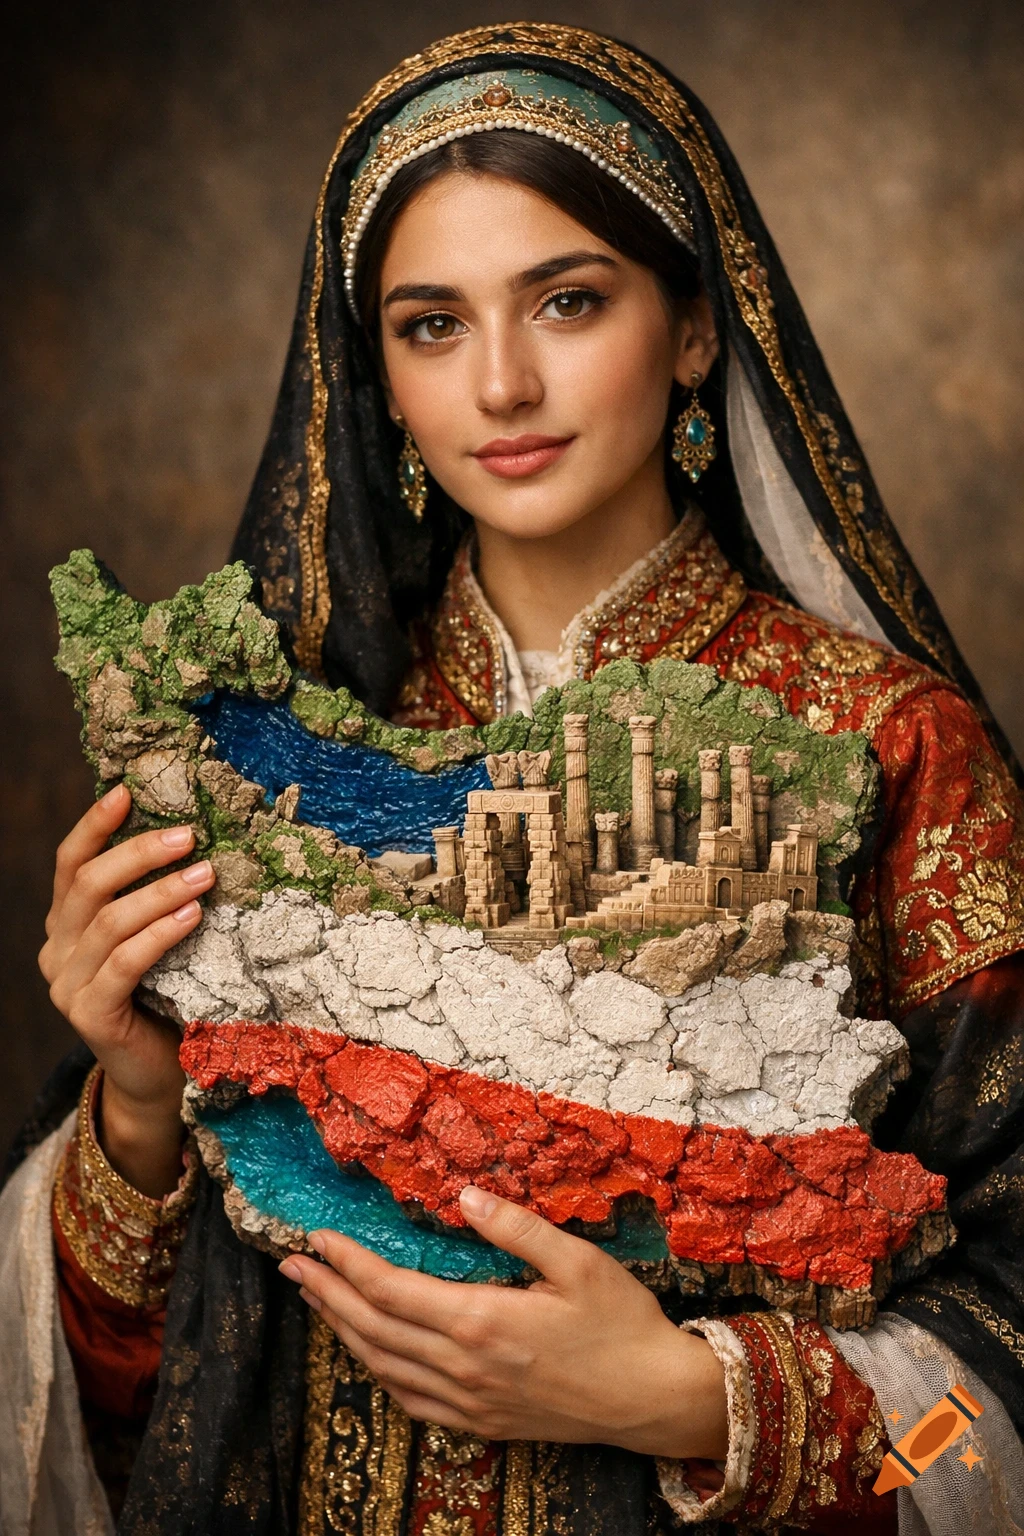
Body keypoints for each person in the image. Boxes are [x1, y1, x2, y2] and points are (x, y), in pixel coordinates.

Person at [3, 22, 1023, 1536]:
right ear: (377, 379)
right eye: (431, 325)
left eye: (568, 301)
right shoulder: (282, 752)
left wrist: (698, 1403)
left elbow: (1000, 1373)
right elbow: (126, 1400)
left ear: (695, 329)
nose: (501, 381)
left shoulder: (892, 750)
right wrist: (139, 1103)